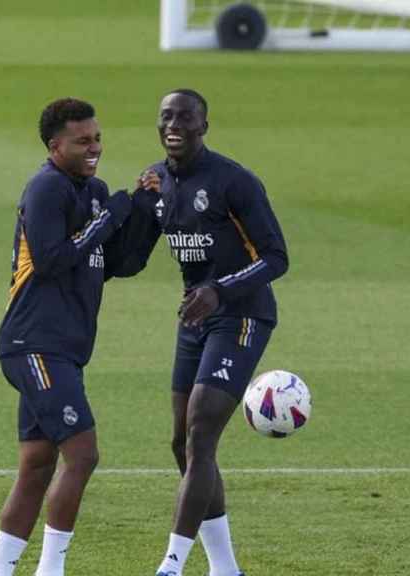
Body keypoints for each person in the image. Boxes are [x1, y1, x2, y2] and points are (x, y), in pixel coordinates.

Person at [0, 98, 156, 576]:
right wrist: (110, 217)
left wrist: (144, 212)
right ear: (55, 145)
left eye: (97, 138)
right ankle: (50, 570)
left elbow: (121, 263)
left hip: (63, 349)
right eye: (83, 141)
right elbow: (52, 259)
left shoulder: (96, 190)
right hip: (33, 343)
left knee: (38, 465)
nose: (94, 147)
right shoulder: (45, 189)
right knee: (82, 455)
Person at [132, 89, 288, 576]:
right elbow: (132, 259)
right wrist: (135, 205)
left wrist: (220, 289)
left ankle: (171, 565)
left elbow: (276, 257)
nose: (173, 124)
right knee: (182, 443)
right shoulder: (159, 183)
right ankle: (226, 569)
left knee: (201, 432)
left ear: (204, 125)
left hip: (243, 315)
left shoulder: (233, 182)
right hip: (196, 318)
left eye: (184, 117)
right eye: (165, 117)